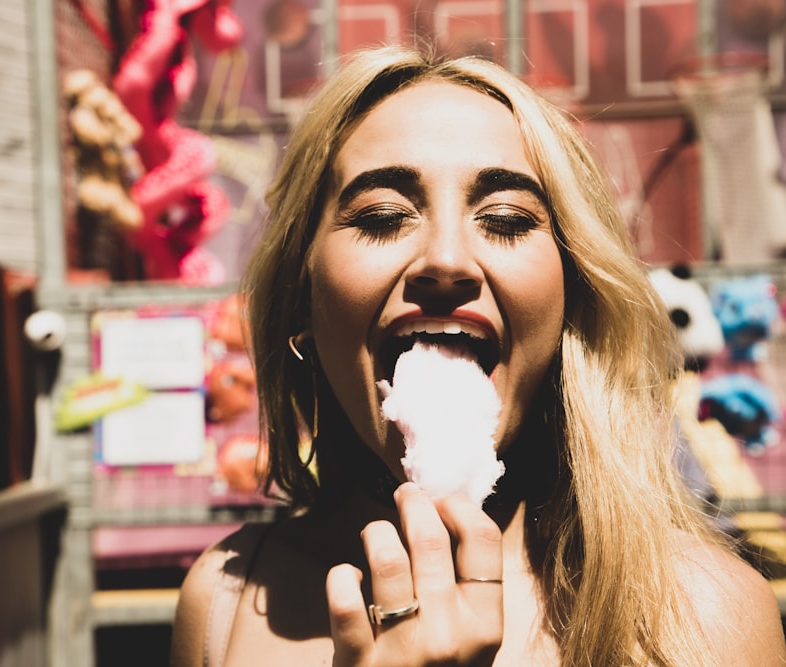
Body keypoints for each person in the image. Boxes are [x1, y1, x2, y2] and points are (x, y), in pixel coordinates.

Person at [169, 44, 786, 666]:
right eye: (383, 216)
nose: (446, 259)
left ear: (572, 296)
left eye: (508, 219)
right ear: (304, 299)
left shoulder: (710, 618)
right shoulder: (227, 603)